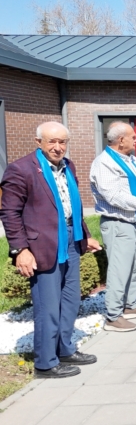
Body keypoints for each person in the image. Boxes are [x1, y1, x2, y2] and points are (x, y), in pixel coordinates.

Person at [0, 122, 101, 378]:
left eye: (62, 142)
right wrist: (20, 249)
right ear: (38, 143)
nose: (58, 147)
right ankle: (45, 362)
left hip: (71, 238)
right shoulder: (20, 170)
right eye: (51, 142)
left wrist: (85, 236)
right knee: (48, 304)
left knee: (70, 299)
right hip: (42, 244)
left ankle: (64, 349)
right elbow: (9, 213)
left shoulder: (69, 166)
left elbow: (73, 205)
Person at [90, 122, 136, 333]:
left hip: (133, 221)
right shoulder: (104, 163)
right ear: (121, 140)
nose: (135, 140)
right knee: (120, 269)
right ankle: (113, 316)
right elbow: (113, 196)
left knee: (134, 265)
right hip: (118, 223)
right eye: (132, 137)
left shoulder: (130, 159)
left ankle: (129, 305)